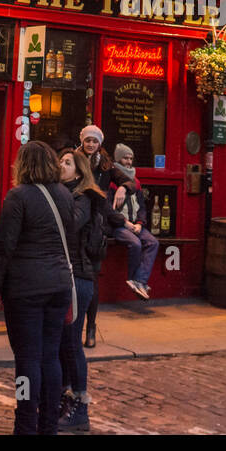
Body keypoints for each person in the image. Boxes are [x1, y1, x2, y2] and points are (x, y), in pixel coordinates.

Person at [0, 140, 76, 435]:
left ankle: (25, 422)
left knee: (26, 360)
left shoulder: (18, 196)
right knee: (50, 356)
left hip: (25, 288)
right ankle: (48, 424)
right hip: (59, 284)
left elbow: (4, 245)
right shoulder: (64, 194)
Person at [58, 148, 107, 431]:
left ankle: (80, 406)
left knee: (72, 343)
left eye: (67, 162)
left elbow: (71, 225)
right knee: (64, 342)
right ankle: (66, 399)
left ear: (79, 171)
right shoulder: (66, 193)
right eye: (60, 161)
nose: (61, 165)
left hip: (80, 277)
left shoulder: (83, 197)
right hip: (67, 276)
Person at [76, 125, 111, 346]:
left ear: (100, 143)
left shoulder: (105, 165)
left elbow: (129, 179)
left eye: (94, 141)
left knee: (92, 280)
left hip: (95, 228)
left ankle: (91, 327)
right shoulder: (72, 159)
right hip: (77, 224)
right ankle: (75, 327)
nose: (91, 144)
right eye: (87, 140)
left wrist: (127, 187)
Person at [108, 143, 158, 299]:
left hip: (135, 225)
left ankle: (140, 279)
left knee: (153, 242)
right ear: (117, 159)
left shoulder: (136, 182)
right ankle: (132, 279)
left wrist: (139, 224)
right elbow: (109, 210)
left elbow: (142, 207)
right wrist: (125, 223)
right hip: (118, 226)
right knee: (135, 244)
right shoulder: (111, 182)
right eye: (125, 158)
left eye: (131, 158)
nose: (129, 162)